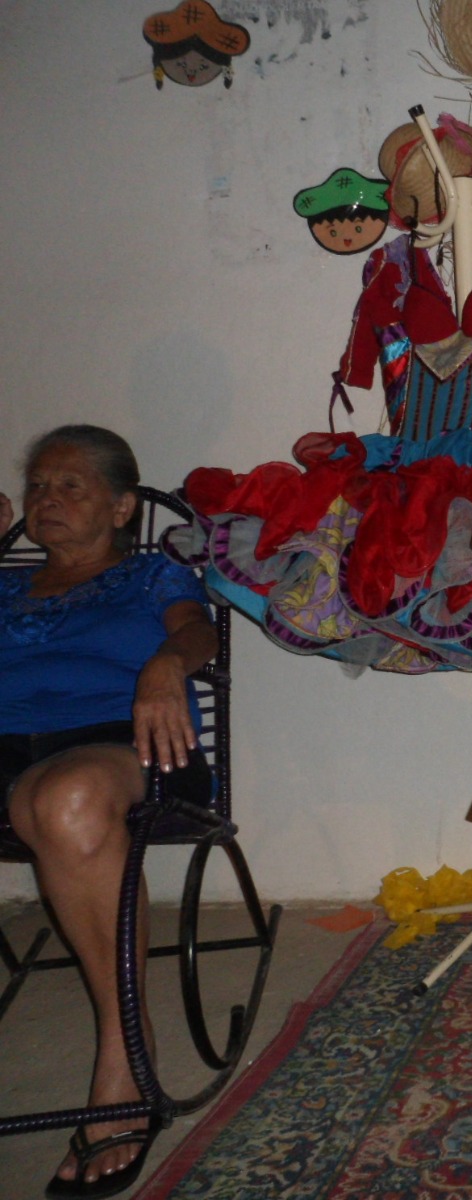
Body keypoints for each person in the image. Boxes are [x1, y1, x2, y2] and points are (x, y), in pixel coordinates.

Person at [2, 425, 219, 1197]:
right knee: (41, 793)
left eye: (71, 485)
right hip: (7, 749)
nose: (47, 499)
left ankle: (125, 1052)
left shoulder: (152, 574)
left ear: (123, 507)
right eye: (37, 487)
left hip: (124, 744)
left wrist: (165, 665)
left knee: (62, 799)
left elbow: (198, 632)